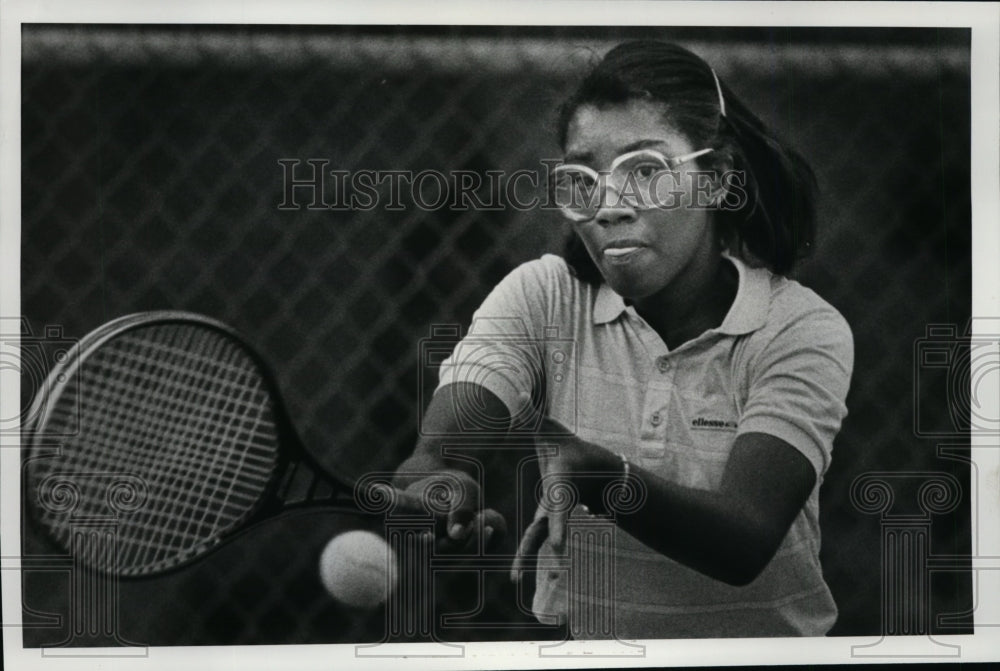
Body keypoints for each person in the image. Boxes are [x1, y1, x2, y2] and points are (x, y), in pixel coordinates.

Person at [393, 40, 853, 639]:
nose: (608, 206)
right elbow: (436, 456)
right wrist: (434, 483)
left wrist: (600, 475)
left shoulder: (798, 327)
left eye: (645, 171)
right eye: (582, 180)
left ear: (715, 179)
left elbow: (743, 540)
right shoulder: (545, 297)